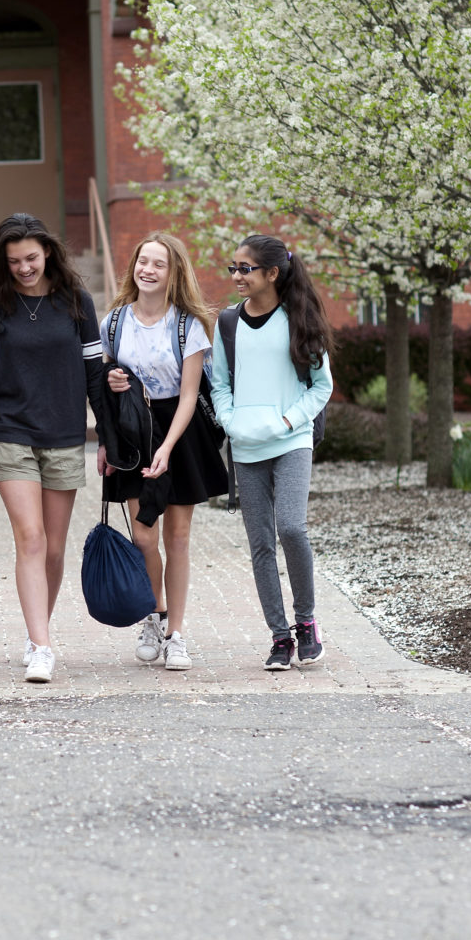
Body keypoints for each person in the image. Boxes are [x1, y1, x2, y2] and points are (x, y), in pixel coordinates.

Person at [0, 213, 111, 684]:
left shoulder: (77, 302)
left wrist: (105, 436)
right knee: (29, 538)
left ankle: (36, 633)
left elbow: (94, 377)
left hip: (65, 436)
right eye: (13, 261)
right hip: (10, 435)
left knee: (52, 548)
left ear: (47, 252)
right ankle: (42, 646)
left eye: (31, 258)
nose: (24, 267)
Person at [97, 232, 228, 671]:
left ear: (174, 274)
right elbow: (105, 382)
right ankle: (153, 617)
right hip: (133, 433)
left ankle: (176, 634)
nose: (147, 270)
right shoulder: (113, 322)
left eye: (159, 264)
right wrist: (113, 384)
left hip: (178, 432)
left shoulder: (188, 325)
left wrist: (169, 447)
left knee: (178, 537)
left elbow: (191, 395)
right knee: (145, 536)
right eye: (142, 261)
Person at [209, 234, 334, 671]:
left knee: (292, 528)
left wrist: (286, 422)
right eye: (234, 268)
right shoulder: (227, 322)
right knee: (260, 543)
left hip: (290, 441)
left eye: (245, 268)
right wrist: (230, 420)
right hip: (245, 447)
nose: (237, 276)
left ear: (272, 273)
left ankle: (306, 624)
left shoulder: (299, 318)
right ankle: (280, 637)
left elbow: (321, 386)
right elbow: (219, 384)